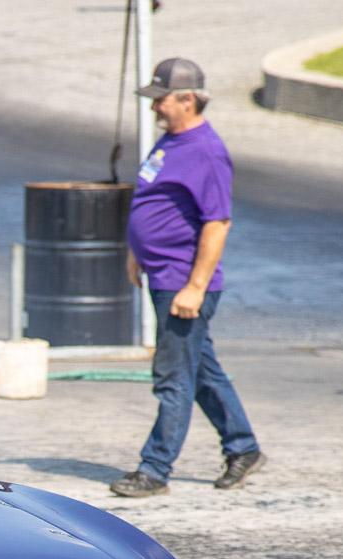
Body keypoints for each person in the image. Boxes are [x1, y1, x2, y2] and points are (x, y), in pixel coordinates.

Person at [110, 57, 266, 498]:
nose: (154, 107)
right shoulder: (170, 142)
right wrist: (135, 253)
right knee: (200, 371)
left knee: (173, 376)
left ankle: (154, 469)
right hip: (161, 274)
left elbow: (217, 223)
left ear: (188, 99)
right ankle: (243, 448)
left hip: (181, 282)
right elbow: (151, 200)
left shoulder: (206, 151)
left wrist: (195, 287)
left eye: (161, 99)